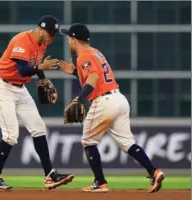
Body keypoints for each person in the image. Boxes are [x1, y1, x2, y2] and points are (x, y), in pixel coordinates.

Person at [58, 23, 164, 193]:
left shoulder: (84, 55)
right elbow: (97, 75)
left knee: (88, 141)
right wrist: (74, 72)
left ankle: (100, 182)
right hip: (119, 99)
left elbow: (92, 77)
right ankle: (154, 172)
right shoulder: (95, 52)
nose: (67, 41)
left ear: (73, 39)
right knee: (128, 143)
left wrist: (79, 98)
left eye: (68, 38)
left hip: (104, 101)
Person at [0, 15, 74, 191]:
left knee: (39, 127)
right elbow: (23, 69)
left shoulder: (42, 44)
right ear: (40, 30)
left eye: (54, 34)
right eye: (50, 33)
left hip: (20, 88)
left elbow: (35, 65)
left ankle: (50, 175)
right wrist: (40, 69)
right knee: (11, 135)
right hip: (1, 86)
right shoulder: (22, 40)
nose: (52, 37)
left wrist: (42, 79)